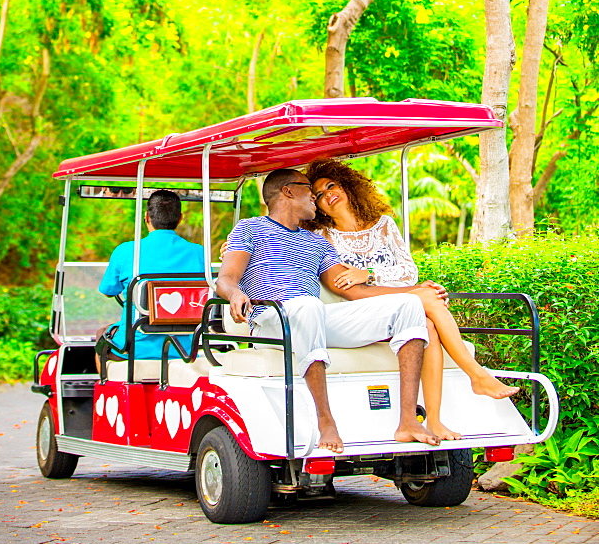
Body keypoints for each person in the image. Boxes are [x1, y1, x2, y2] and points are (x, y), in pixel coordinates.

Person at [217, 167, 447, 455]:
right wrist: (235, 293)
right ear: (289, 191)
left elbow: (350, 290)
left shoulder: (316, 241)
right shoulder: (250, 228)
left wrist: (414, 292)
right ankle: (326, 422)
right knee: (308, 305)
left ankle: (408, 422)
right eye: (308, 189)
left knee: (409, 306)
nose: (315, 196)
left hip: (314, 318)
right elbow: (226, 278)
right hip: (271, 317)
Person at [304, 158, 518, 441]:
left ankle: (436, 421)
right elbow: (348, 288)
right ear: (317, 206)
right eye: (318, 195)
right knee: (428, 298)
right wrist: (413, 292)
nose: (327, 195)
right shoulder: (323, 236)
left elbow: (408, 271)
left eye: (331, 186)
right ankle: (477, 375)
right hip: (357, 315)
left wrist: (368, 273)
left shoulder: (384, 225)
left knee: (428, 326)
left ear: (347, 186)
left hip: (395, 305)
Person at [97, 189, 204, 368]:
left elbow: (109, 290)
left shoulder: (125, 251)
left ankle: (104, 390)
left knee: (102, 338)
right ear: (180, 218)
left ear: (146, 217)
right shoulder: (198, 252)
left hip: (133, 347)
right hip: (183, 347)